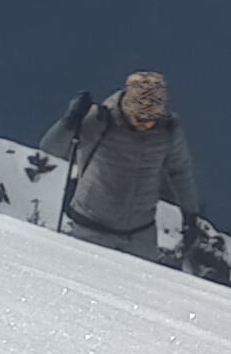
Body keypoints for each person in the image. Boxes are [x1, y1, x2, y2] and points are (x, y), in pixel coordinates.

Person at [40, 73, 202, 267]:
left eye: (152, 119)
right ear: (127, 108)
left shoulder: (168, 131)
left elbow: (180, 172)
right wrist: (70, 120)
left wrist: (190, 214)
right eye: (140, 119)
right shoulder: (100, 120)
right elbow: (51, 148)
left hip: (140, 235)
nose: (147, 125)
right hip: (91, 228)